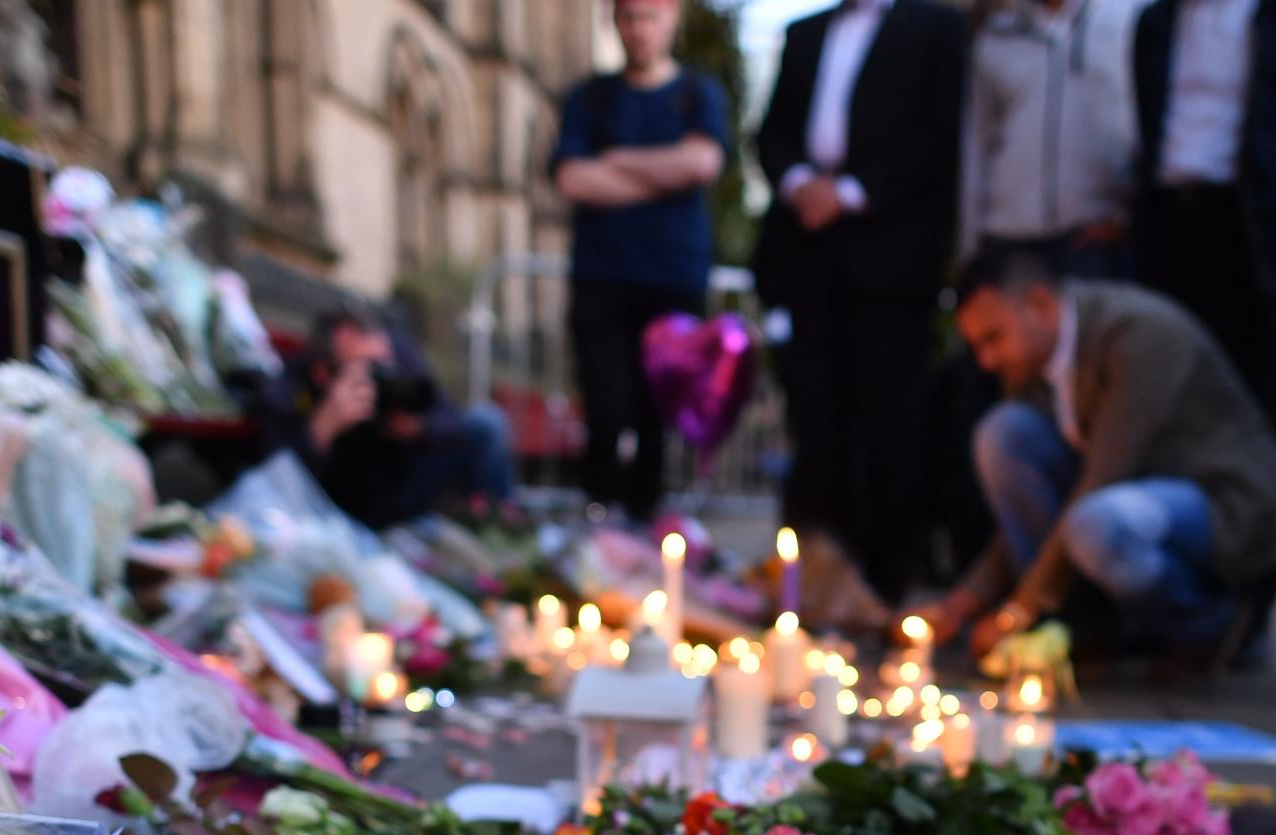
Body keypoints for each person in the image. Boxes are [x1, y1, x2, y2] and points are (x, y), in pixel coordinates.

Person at [915, 248, 1276, 661]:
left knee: (1099, 525)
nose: (987, 360)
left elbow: (1101, 481)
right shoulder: (1034, 366)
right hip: (1126, 497)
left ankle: (1204, 628)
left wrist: (1015, 613)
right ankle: (1078, 627)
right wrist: (963, 602)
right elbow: (1029, 506)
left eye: (994, 338)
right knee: (1004, 434)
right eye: (976, 345)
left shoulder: (1135, 334)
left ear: (1040, 304)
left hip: (1222, 500)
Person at [1130, 0, 1276, 660]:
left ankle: (1253, 605)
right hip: (1170, 227)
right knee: (1163, 417)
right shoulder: (1158, 21)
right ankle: (1170, 605)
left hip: (1247, 234)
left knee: (1255, 423)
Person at [754, 0, 970, 606]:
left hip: (890, 257)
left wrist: (851, 193)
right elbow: (772, 134)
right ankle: (813, 577)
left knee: (891, 422)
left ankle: (885, 582)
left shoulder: (936, 29)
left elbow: (940, 136)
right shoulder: (804, 34)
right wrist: (801, 184)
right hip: (806, 255)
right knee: (814, 419)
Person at [551, 0, 731, 523]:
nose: (639, 29)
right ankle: (599, 520)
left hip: (672, 278)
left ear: (672, 17)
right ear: (615, 20)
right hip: (602, 277)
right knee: (607, 409)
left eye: (650, 16)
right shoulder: (591, 98)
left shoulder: (698, 94)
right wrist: (665, 175)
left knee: (658, 417)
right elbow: (572, 179)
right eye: (629, 17)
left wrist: (620, 161)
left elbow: (702, 163)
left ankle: (648, 529)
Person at [278, 308, 513, 531]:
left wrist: (419, 428)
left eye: (382, 366)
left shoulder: (399, 355)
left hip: (403, 479)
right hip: (342, 502)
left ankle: (494, 531)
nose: (378, 378)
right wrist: (324, 427)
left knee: (486, 422)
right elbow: (275, 480)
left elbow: (450, 419)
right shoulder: (293, 386)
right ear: (323, 374)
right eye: (365, 370)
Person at [959, 0, 1142, 272]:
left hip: (1092, 238)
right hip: (1008, 239)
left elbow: (1141, 126)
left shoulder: (1126, 22)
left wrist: (1128, 218)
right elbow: (975, 150)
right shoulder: (996, 37)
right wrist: (968, 251)